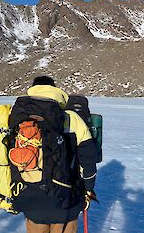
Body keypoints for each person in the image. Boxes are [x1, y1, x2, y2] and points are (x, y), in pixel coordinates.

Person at [14, 76, 98, 233]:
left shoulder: (20, 116)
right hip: (66, 200)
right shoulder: (72, 118)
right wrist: (88, 189)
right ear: (54, 89)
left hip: (31, 196)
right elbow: (88, 159)